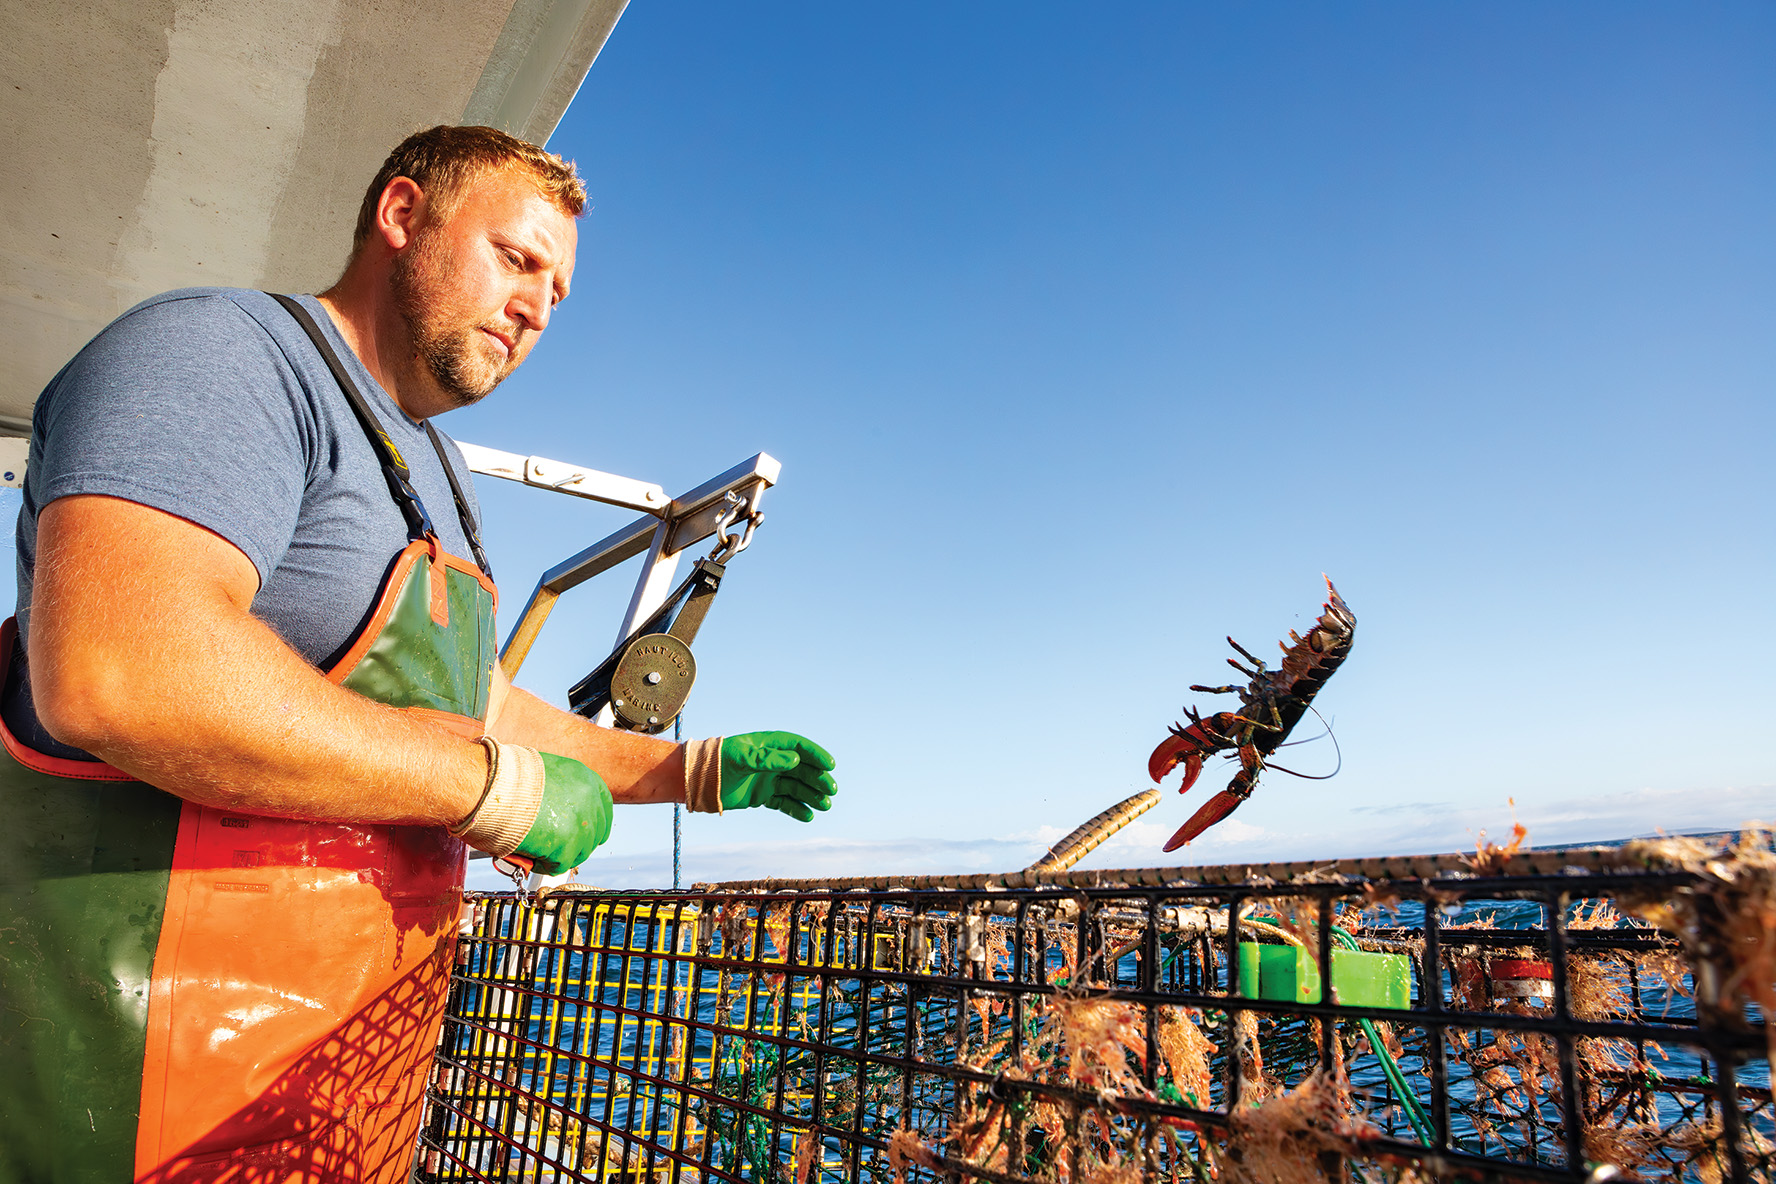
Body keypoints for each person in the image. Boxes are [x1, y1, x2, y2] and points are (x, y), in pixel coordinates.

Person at [0, 125, 836, 1183]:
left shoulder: (432, 467)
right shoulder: (221, 356)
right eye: (517, 259)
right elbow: (121, 667)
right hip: (129, 1109)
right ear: (402, 217)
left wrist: (689, 771)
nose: (537, 306)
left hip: (346, 1108)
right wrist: (491, 790)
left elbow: (471, 706)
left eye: (559, 292)